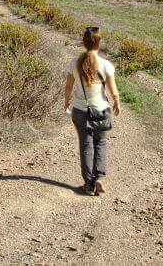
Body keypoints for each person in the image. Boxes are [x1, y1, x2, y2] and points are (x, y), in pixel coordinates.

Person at [63, 26, 120, 196]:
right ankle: (99, 177)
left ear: (83, 42)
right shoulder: (106, 64)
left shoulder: (74, 63)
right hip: (101, 110)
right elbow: (113, 90)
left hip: (80, 111)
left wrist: (66, 102)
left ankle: (88, 185)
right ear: (99, 43)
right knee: (100, 143)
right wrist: (117, 101)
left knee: (86, 145)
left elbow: (68, 87)